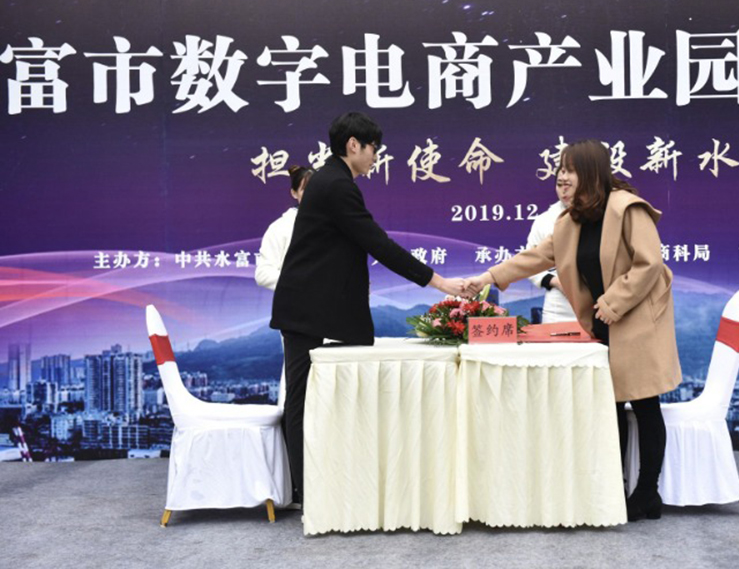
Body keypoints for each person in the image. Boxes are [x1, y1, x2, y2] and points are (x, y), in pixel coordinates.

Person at [463, 138, 681, 521]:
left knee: (645, 404)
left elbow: (649, 264)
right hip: (604, 322)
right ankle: (614, 489)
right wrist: (488, 277)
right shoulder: (571, 220)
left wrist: (613, 302)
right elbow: (535, 257)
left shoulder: (627, 208)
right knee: (611, 405)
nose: (562, 177)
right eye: (560, 170)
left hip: (636, 321)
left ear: (592, 172)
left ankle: (648, 492)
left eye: (570, 169)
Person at [271, 111, 465, 508]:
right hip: (308, 309)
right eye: (374, 147)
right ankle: (305, 490)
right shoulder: (336, 185)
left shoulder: (331, 180)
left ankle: (311, 485)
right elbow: (378, 244)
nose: (377, 155)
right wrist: (440, 282)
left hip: (314, 308)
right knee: (302, 399)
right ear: (353, 145)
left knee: (308, 396)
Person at [525, 171, 577, 324]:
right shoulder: (544, 220)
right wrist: (556, 282)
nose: (563, 190)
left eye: (568, 185)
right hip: (558, 308)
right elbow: (530, 262)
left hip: (597, 306)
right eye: (559, 185)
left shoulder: (602, 216)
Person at [255, 165, 314, 291]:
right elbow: (263, 274)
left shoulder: (335, 225)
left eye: (316, 189)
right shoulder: (280, 227)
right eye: (305, 190)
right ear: (294, 193)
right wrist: (301, 281)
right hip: (294, 300)